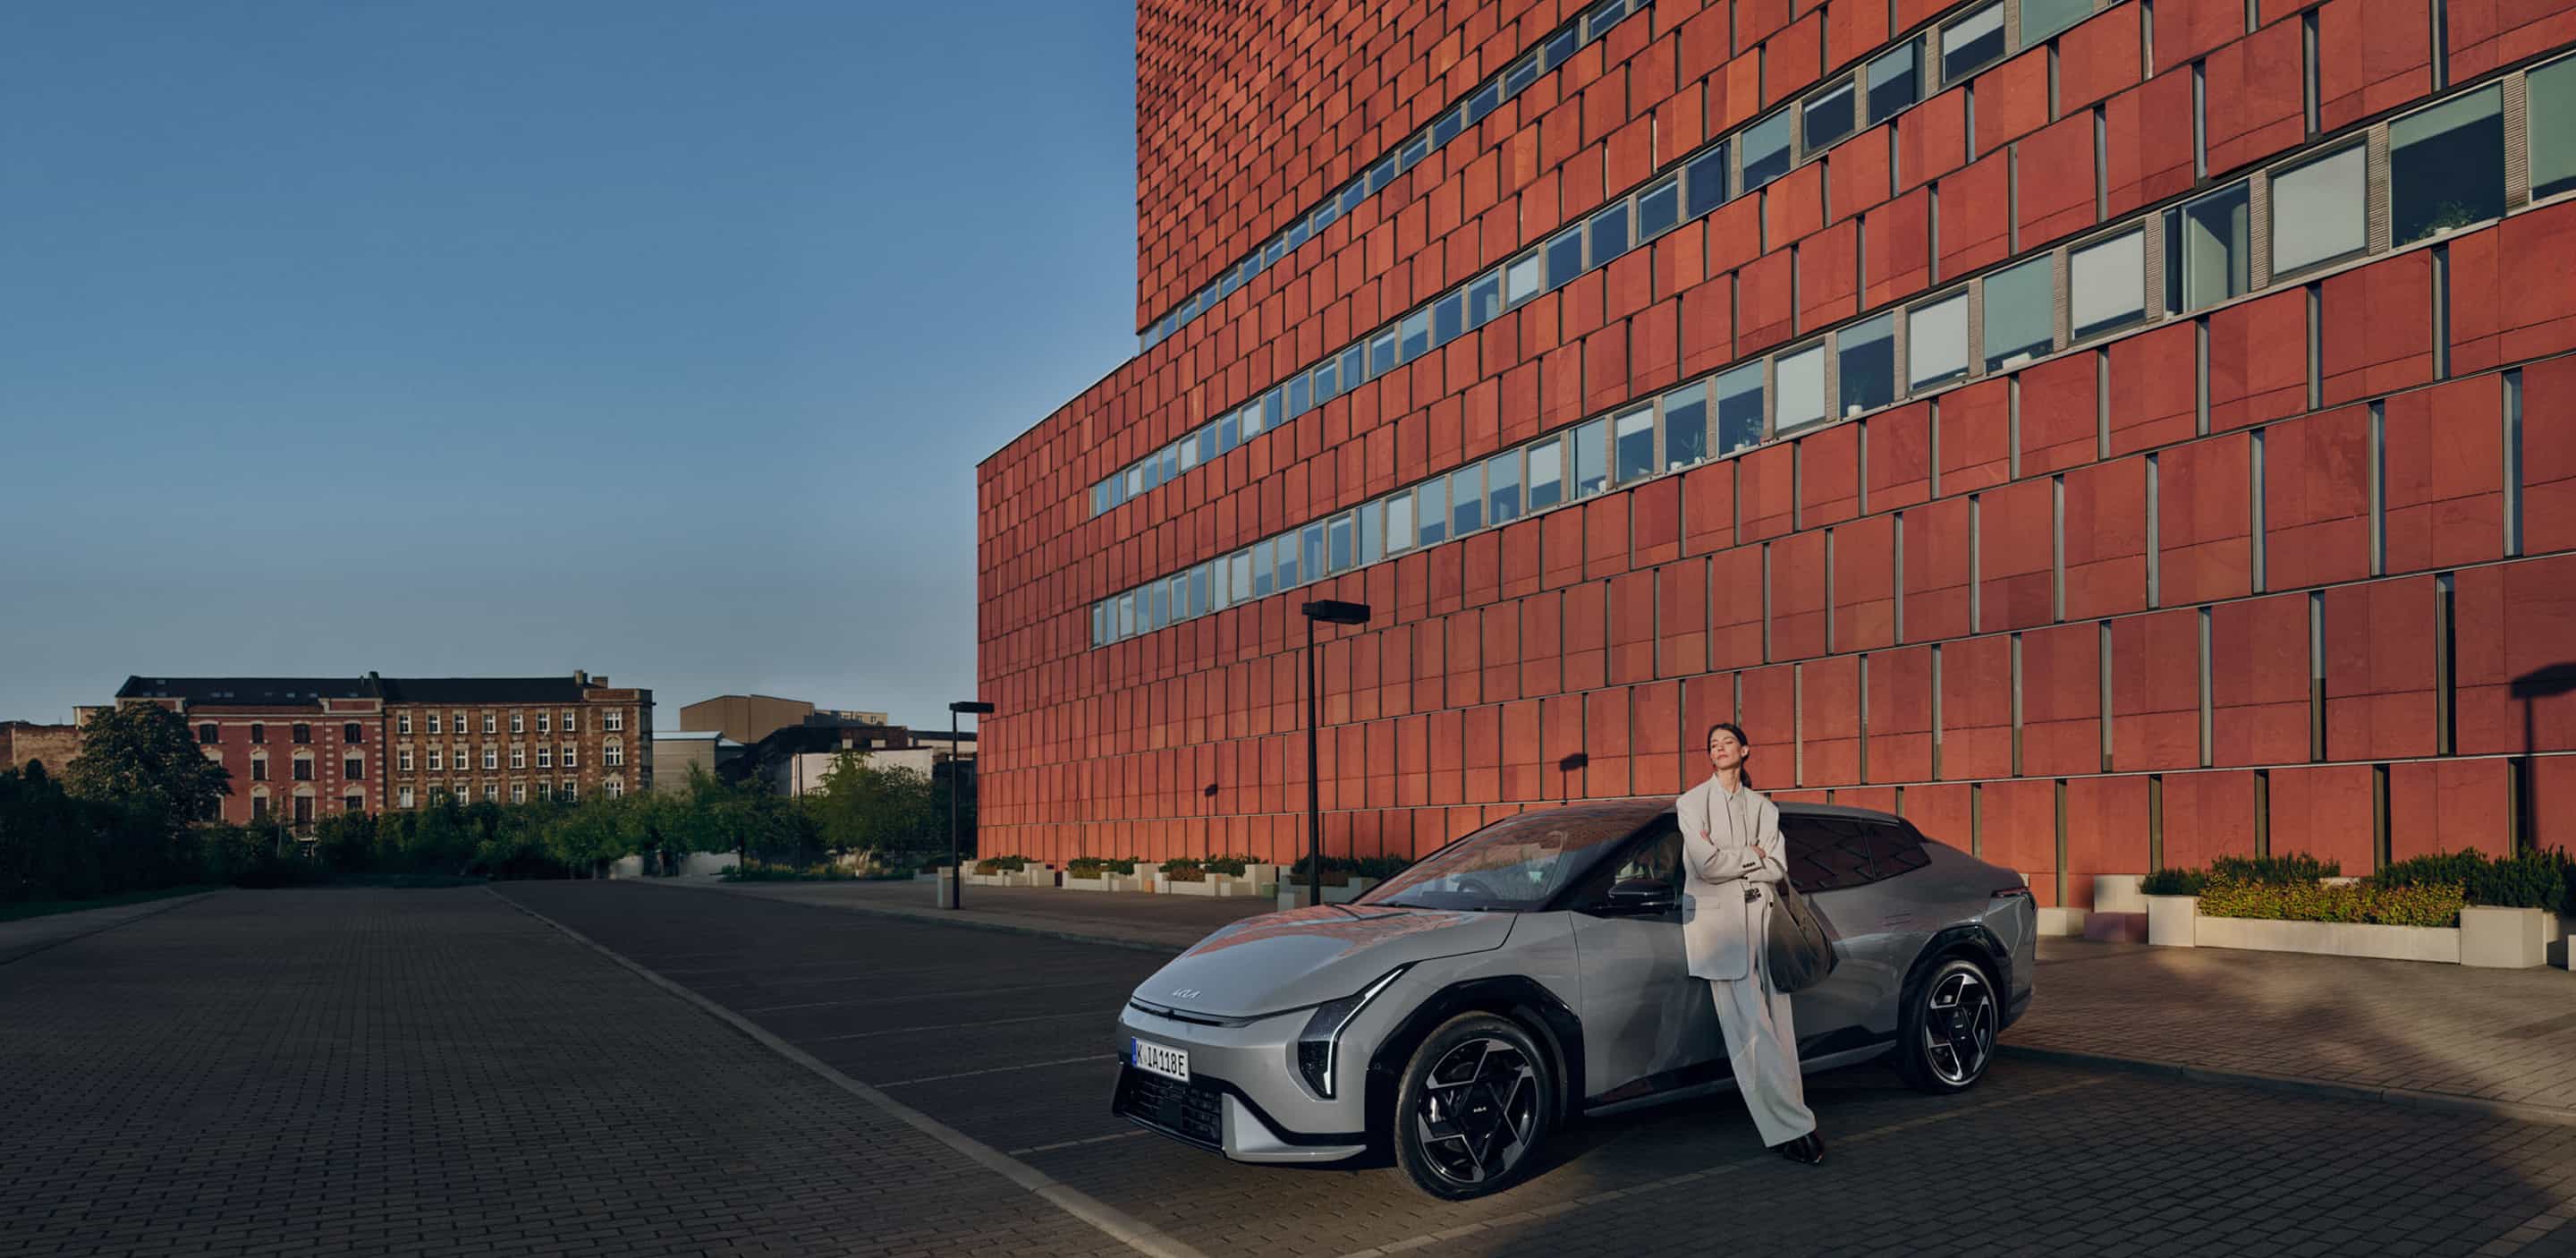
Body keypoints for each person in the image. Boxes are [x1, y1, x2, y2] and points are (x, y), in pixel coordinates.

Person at [1674, 721, 1825, 1165]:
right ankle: (1791, 1128)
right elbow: (1705, 866)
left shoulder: (1764, 806)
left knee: (1780, 1032)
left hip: (1764, 925)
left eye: (1727, 743)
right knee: (1751, 1033)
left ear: (1745, 750)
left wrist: (1741, 861)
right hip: (1720, 932)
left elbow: (1777, 868)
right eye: (1712, 745)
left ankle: (1793, 1116)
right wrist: (1751, 855)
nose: (1719, 749)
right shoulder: (1691, 803)